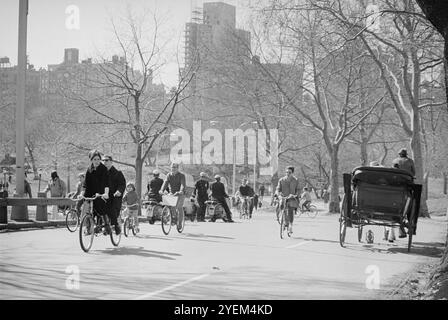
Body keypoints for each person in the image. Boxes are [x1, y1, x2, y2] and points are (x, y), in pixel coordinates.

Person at [79, 150, 110, 230]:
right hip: (90, 192)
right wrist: (82, 193)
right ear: (91, 160)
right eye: (94, 159)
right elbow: (85, 184)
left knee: (99, 207)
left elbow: (106, 183)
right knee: (86, 207)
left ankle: (106, 225)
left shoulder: (103, 169)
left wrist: (106, 193)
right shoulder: (89, 169)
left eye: (98, 159)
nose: (97, 161)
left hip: (100, 192)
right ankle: (88, 227)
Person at [103, 155, 126, 235]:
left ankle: (116, 226)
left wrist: (119, 191)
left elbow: (122, 184)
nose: (104, 162)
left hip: (114, 195)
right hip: (104, 195)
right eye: (103, 160)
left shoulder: (118, 173)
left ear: (111, 162)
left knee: (112, 208)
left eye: (106, 160)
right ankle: (99, 225)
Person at [276, 166, 300, 235]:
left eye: (289, 172)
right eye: (286, 172)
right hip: (283, 197)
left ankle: (290, 225)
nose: (287, 174)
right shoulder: (281, 180)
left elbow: (298, 190)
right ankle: (282, 220)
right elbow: (278, 189)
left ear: (292, 173)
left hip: (292, 198)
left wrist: (295, 195)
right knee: (279, 207)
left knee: (290, 210)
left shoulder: (295, 180)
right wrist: (278, 194)